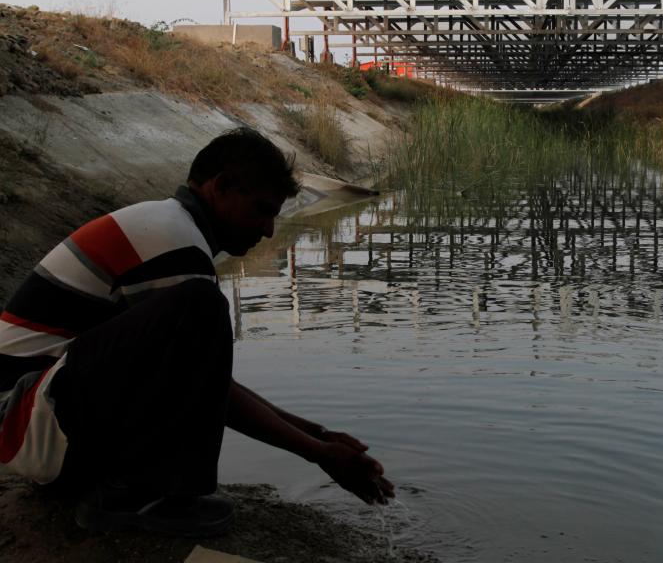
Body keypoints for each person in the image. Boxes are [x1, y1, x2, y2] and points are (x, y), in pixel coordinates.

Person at [0, 127, 393, 537]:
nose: (268, 230)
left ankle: (130, 488)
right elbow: (218, 394)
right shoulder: (175, 240)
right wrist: (319, 453)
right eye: (261, 210)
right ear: (220, 187)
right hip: (25, 415)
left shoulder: (170, 226)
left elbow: (206, 381)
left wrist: (320, 435)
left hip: (43, 414)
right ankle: (141, 497)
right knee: (202, 306)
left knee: (200, 308)